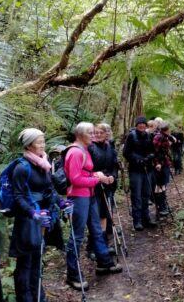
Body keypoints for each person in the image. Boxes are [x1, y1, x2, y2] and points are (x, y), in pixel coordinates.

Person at [9, 128, 73, 302]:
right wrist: (33, 213)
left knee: (37, 260)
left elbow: (49, 189)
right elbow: (19, 196)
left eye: (43, 141)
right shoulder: (22, 167)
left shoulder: (44, 163)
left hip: (43, 218)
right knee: (25, 263)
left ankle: (39, 296)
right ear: (29, 145)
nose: (43, 145)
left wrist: (61, 202)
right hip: (27, 221)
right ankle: (25, 298)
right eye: (39, 142)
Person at [65, 122, 122, 291]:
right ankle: (73, 275)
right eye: (90, 132)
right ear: (81, 134)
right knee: (77, 236)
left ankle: (104, 262)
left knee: (97, 229)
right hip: (78, 197)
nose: (93, 135)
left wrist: (96, 175)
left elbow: (85, 173)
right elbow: (74, 179)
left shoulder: (84, 150)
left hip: (89, 195)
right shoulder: (75, 152)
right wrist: (97, 179)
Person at [87, 123, 118, 258]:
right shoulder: (90, 148)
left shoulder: (109, 147)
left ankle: (103, 243)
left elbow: (114, 165)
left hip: (107, 185)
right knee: (96, 216)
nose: (98, 134)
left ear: (106, 134)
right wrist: (99, 176)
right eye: (96, 132)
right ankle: (92, 247)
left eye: (101, 132)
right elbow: (87, 168)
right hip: (94, 186)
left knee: (105, 214)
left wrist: (113, 176)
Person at [123, 116, 157, 231]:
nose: (141, 125)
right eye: (139, 124)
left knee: (146, 195)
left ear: (146, 125)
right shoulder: (131, 136)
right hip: (135, 170)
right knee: (136, 195)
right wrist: (138, 159)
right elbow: (126, 152)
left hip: (148, 169)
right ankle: (137, 221)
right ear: (136, 125)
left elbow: (153, 150)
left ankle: (146, 219)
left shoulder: (149, 136)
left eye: (143, 123)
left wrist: (150, 157)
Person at [153, 122, 174, 216]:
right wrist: (157, 163)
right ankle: (161, 207)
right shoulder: (159, 137)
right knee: (160, 185)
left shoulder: (164, 136)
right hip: (160, 165)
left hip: (164, 163)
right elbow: (155, 151)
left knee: (163, 185)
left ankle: (163, 205)